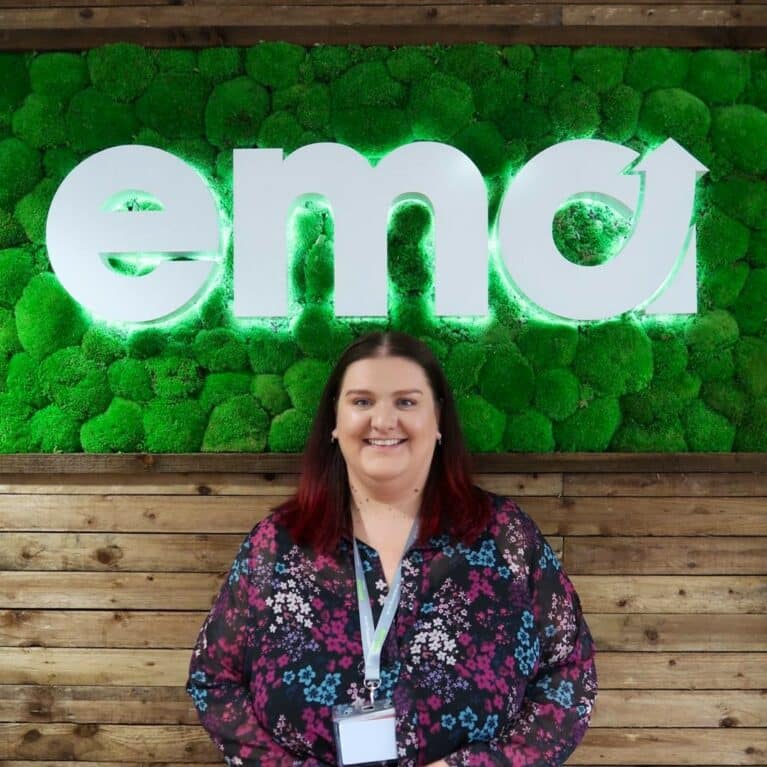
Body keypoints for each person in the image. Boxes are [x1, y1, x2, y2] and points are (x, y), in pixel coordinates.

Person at [187, 330, 597, 767]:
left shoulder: (506, 538)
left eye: (406, 401)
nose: (383, 421)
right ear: (334, 420)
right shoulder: (275, 546)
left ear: (438, 419)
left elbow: (571, 674)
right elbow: (213, 679)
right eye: (362, 401)